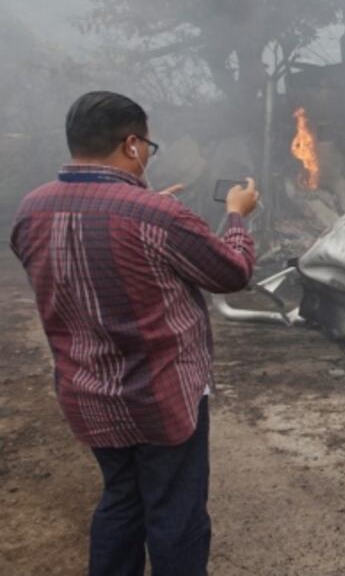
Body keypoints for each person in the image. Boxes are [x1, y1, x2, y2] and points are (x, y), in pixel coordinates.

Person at [9, 91, 260, 575]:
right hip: (161, 396)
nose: (147, 154)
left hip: (87, 397)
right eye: (147, 145)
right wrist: (236, 215)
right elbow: (232, 273)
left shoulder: (30, 211)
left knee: (121, 501)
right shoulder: (156, 217)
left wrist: (142, 211)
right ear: (130, 144)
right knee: (176, 515)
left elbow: (85, 247)